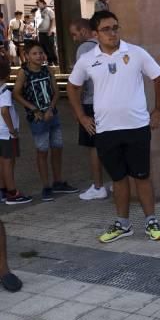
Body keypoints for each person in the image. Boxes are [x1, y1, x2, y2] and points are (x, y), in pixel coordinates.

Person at [67, 10, 160, 243]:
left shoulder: (136, 52)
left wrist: (159, 110)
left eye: (115, 27)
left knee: (142, 176)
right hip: (106, 130)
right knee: (118, 179)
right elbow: (72, 87)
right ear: (95, 33)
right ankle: (123, 224)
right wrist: (81, 116)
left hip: (137, 127)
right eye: (106, 29)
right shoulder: (87, 59)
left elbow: (158, 77)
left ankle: (151, 220)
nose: (112, 33)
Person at [13, 43, 78, 201]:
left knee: (57, 147)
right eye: (34, 53)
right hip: (37, 118)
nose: (39, 56)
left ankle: (58, 181)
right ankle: (46, 186)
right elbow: (16, 93)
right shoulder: (24, 72)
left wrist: (51, 108)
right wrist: (34, 109)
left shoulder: (48, 70)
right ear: (27, 56)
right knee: (42, 151)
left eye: (41, 53)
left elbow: (56, 92)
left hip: (52, 115)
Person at [70, 18, 107, 201]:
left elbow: (78, 83)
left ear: (84, 31)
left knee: (93, 147)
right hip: (107, 101)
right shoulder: (105, 45)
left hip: (90, 102)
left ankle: (98, 186)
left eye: (75, 34)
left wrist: (78, 112)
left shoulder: (84, 49)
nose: (74, 38)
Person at [0, 59, 32, 205]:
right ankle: (12, 192)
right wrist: (12, 130)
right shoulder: (5, 91)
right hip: (7, 132)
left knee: (2, 161)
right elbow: (5, 110)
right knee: (9, 162)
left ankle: (2, 189)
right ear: (7, 74)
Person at [35, 0, 58, 65]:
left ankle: (55, 61)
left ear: (43, 3)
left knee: (50, 47)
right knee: (43, 47)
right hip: (40, 32)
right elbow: (36, 22)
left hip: (48, 32)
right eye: (37, 3)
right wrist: (36, 32)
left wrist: (51, 29)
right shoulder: (37, 12)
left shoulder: (49, 10)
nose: (38, 5)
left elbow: (53, 20)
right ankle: (49, 61)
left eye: (39, 3)